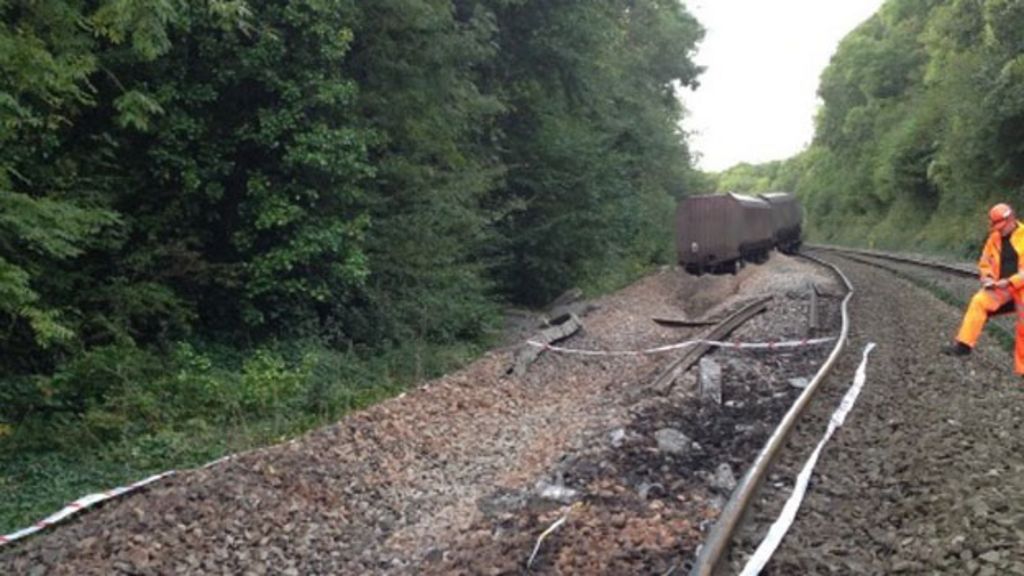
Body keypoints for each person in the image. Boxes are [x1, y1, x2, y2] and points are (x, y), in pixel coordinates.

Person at [943, 202, 1024, 376]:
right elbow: (984, 262)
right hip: (1002, 288)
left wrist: (1011, 281)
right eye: (996, 226)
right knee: (979, 301)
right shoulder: (994, 238)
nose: (999, 230)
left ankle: (1022, 370)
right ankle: (963, 346)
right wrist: (987, 277)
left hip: (1019, 287)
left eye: (1001, 226)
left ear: (1011, 219)